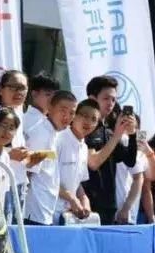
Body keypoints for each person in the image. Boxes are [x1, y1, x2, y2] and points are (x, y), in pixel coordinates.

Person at [81, 75, 138, 225]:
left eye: (114, 99)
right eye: (106, 98)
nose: (110, 103)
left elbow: (130, 161)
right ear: (92, 98)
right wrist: (117, 134)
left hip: (109, 204)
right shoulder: (86, 128)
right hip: (89, 203)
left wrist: (132, 135)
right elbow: (93, 163)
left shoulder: (109, 131)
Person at [24, 90, 77, 226]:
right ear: (50, 107)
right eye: (63, 110)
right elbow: (28, 171)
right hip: (34, 211)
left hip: (45, 210)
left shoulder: (53, 134)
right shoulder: (41, 134)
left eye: (72, 113)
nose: (67, 116)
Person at [56, 99, 98, 224]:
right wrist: (72, 199)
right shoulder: (58, 139)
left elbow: (77, 183)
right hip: (49, 211)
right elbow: (46, 179)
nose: (88, 122)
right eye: (85, 116)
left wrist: (84, 200)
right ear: (74, 116)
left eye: (94, 119)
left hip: (69, 216)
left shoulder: (84, 147)